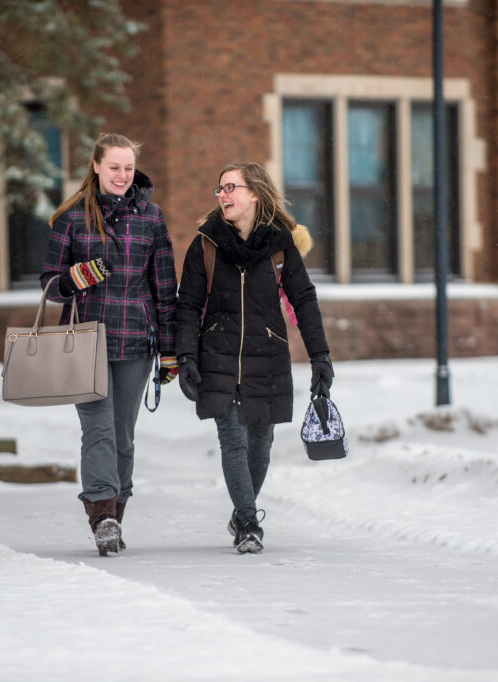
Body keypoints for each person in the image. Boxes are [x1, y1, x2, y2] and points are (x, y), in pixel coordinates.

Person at [175, 162, 334, 553]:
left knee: (261, 444)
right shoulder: (206, 244)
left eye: (231, 187)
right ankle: (248, 522)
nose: (223, 195)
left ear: (254, 195)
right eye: (220, 188)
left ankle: (241, 511)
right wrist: (184, 356)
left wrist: (320, 357)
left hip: (267, 356)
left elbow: (304, 300)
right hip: (218, 355)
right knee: (233, 440)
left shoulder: (281, 247)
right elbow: (189, 304)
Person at [41, 133, 178, 556]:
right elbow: (48, 285)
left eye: (128, 168)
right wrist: (77, 277)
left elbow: (164, 288)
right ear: (96, 166)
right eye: (114, 166)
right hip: (86, 341)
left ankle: (117, 512)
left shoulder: (151, 218)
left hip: (137, 340)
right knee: (98, 431)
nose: (122, 175)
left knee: (123, 437)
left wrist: (170, 350)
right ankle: (102, 517)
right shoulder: (71, 218)